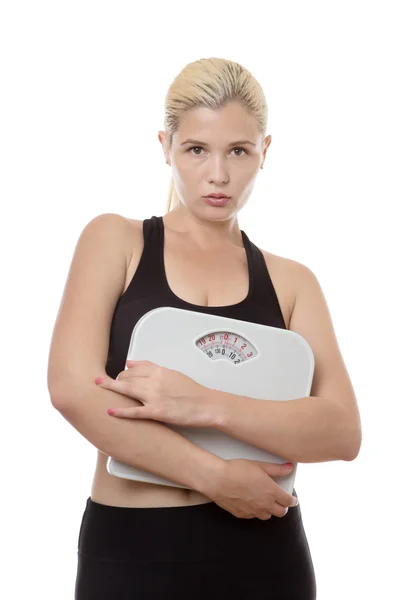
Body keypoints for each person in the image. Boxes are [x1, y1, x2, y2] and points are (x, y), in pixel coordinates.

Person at [48, 57, 360, 598]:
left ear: (265, 152)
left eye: (238, 151)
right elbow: (72, 389)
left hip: (266, 553)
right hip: (133, 550)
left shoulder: (293, 281)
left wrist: (203, 404)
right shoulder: (115, 242)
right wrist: (216, 478)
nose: (218, 174)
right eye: (197, 150)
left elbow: (342, 431)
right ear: (165, 146)